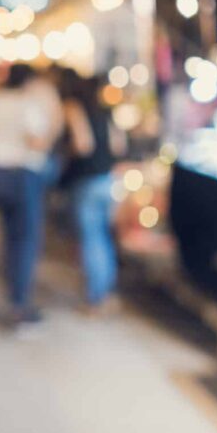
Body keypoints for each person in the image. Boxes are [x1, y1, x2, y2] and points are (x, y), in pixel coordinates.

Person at [0, 64, 53, 331]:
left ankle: (14, 297)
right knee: (26, 241)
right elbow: (37, 141)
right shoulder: (28, 104)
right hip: (23, 174)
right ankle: (19, 305)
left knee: (11, 238)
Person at [59, 70, 119, 314]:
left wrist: (66, 154)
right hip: (107, 179)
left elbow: (83, 144)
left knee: (90, 239)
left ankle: (96, 297)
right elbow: (118, 145)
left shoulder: (73, 107)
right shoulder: (107, 111)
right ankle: (106, 292)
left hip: (86, 181)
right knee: (103, 237)